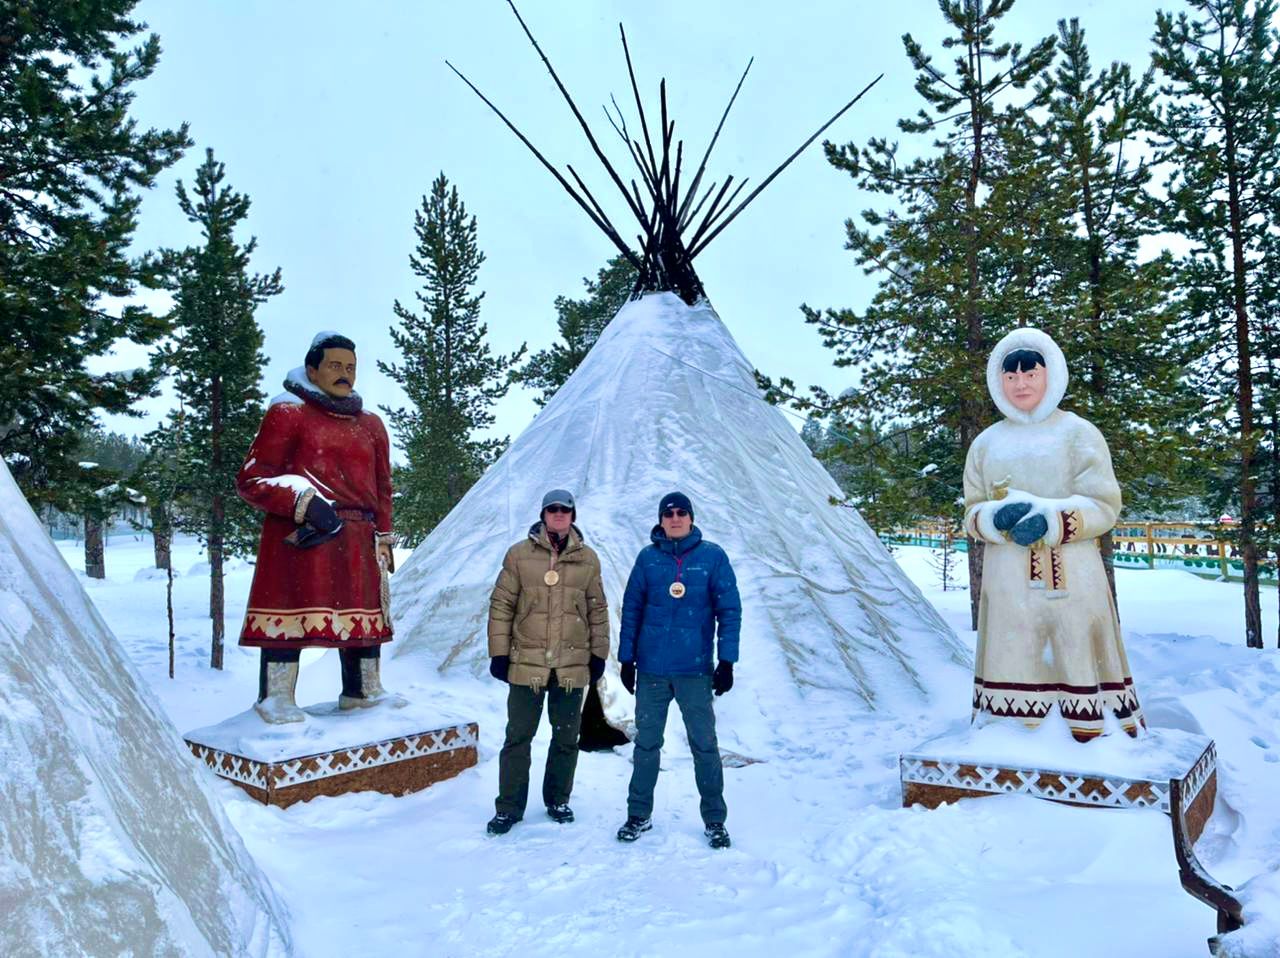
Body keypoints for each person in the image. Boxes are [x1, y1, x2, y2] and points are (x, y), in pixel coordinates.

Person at [963, 327, 1143, 742]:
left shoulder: (1079, 434)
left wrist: (1053, 519)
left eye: (1030, 374)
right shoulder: (986, 444)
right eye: (1011, 377)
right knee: (1013, 655)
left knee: (1074, 652)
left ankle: (1089, 738)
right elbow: (971, 511)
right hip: (1007, 584)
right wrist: (993, 518)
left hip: (1072, 581)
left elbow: (1104, 504)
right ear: (998, 380)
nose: (1021, 384)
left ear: (1051, 374)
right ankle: (1006, 736)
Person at [236, 332, 398, 723]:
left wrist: (384, 535)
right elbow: (252, 479)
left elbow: (383, 486)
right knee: (289, 615)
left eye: (351, 368)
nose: (345, 375)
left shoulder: (371, 425)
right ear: (312, 369)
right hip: (305, 538)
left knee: (362, 619)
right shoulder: (288, 413)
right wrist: (302, 502)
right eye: (335, 366)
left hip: (358, 537)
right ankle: (276, 698)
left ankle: (363, 691)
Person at [615, 492, 741, 849]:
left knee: (705, 746)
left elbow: (729, 610)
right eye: (668, 513)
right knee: (647, 745)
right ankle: (638, 814)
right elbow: (632, 609)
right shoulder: (648, 559)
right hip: (653, 670)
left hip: (694, 670)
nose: (674, 518)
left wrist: (726, 661)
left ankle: (715, 820)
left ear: (690, 517)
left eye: (681, 512)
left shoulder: (712, 558)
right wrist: (627, 659)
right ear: (660, 519)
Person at [486, 489, 609, 835]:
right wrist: (498, 652)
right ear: (543, 514)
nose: (558, 515)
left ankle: (557, 798)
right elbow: (501, 606)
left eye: (565, 510)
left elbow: (597, 611)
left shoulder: (588, 559)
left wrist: (598, 654)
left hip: (571, 665)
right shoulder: (519, 555)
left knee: (567, 737)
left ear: (573, 516)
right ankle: (509, 806)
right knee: (518, 737)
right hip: (527, 661)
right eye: (552, 509)